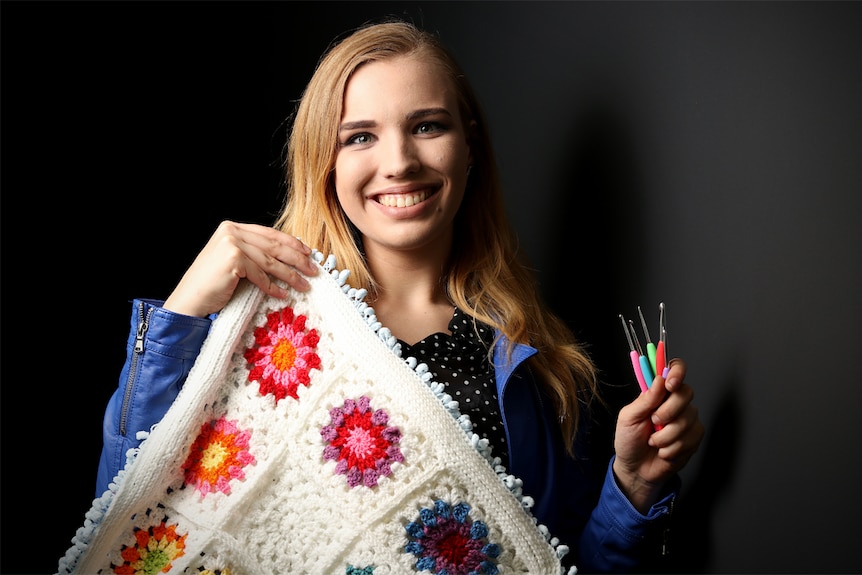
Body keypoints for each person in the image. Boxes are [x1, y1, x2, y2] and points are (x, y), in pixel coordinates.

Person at [96, 18, 703, 573]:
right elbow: (126, 511)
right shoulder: (267, 330)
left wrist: (633, 486)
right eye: (360, 137)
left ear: (469, 145)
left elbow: (553, 563)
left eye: (427, 126)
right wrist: (182, 310)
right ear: (324, 161)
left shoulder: (533, 365)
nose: (400, 162)